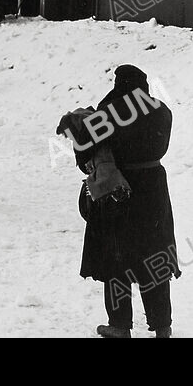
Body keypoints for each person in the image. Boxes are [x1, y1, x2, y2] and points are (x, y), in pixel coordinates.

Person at [56, 65, 179, 339]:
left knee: (116, 260)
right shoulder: (162, 111)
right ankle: (163, 325)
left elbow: (83, 155)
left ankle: (120, 325)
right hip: (154, 190)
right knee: (154, 257)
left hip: (118, 192)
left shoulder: (107, 115)